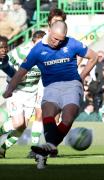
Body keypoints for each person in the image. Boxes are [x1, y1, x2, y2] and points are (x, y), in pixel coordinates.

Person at [3, 20, 98, 169]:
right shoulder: (37, 50)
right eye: (54, 38)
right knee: (47, 112)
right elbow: (22, 71)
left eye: (61, 40)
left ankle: (46, 148)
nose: (57, 43)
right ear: (49, 30)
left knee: (69, 115)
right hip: (51, 87)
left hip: (72, 85)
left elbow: (94, 56)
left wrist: (82, 76)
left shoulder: (72, 43)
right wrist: (9, 89)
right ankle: (47, 149)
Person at [27, 8, 67, 159]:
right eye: (55, 20)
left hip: (61, 82)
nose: (57, 23)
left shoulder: (66, 39)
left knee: (55, 115)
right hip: (44, 82)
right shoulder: (43, 39)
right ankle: (36, 147)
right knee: (39, 113)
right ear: (49, 22)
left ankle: (51, 146)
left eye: (60, 21)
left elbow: (78, 54)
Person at [0, 30, 46, 158]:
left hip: (31, 94)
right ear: (32, 42)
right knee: (18, 123)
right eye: (37, 44)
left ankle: (2, 150)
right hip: (16, 92)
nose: (39, 46)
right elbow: (6, 63)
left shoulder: (46, 56)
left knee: (22, 127)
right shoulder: (20, 52)